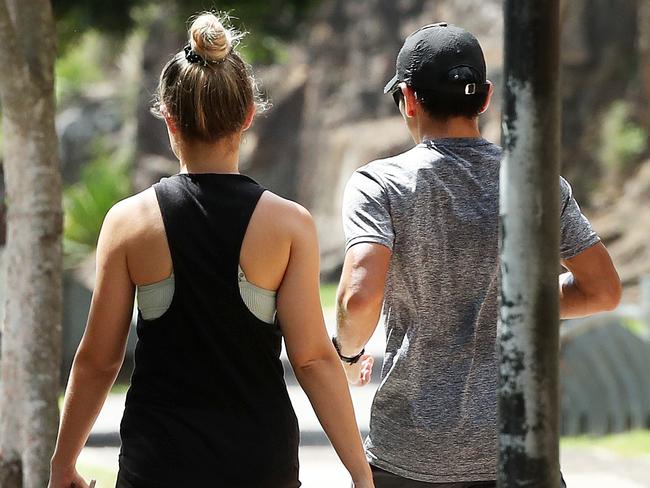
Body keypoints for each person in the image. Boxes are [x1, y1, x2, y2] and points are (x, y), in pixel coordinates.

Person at [49, 12, 374, 488]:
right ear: (247, 115)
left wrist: (62, 467)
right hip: (260, 466)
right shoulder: (288, 225)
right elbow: (312, 360)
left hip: (157, 466)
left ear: (167, 116)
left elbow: (99, 359)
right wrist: (360, 476)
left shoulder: (129, 222)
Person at [333, 23, 622, 487]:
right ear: (484, 98)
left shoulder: (379, 185)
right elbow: (603, 291)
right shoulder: (537, 183)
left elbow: (358, 299)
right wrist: (513, 305)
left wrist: (347, 357)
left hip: (409, 457)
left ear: (407, 99)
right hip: (518, 451)